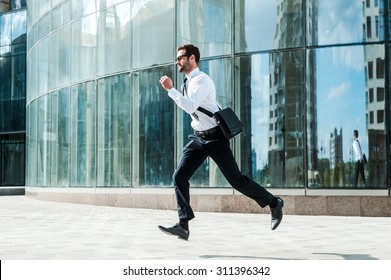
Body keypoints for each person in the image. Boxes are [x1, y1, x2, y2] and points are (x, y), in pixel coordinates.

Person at [158, 44, 284, 241]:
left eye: (180, 57)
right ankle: (183, 226)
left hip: (216, 138)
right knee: (179, 177)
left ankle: (274, 203)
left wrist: (171, 90)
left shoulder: (203, 80)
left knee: (236, 181)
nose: (177, 61)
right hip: (198, 137)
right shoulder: (186, 82)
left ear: (192, 58)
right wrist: (175, 89)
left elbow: (191, 106)